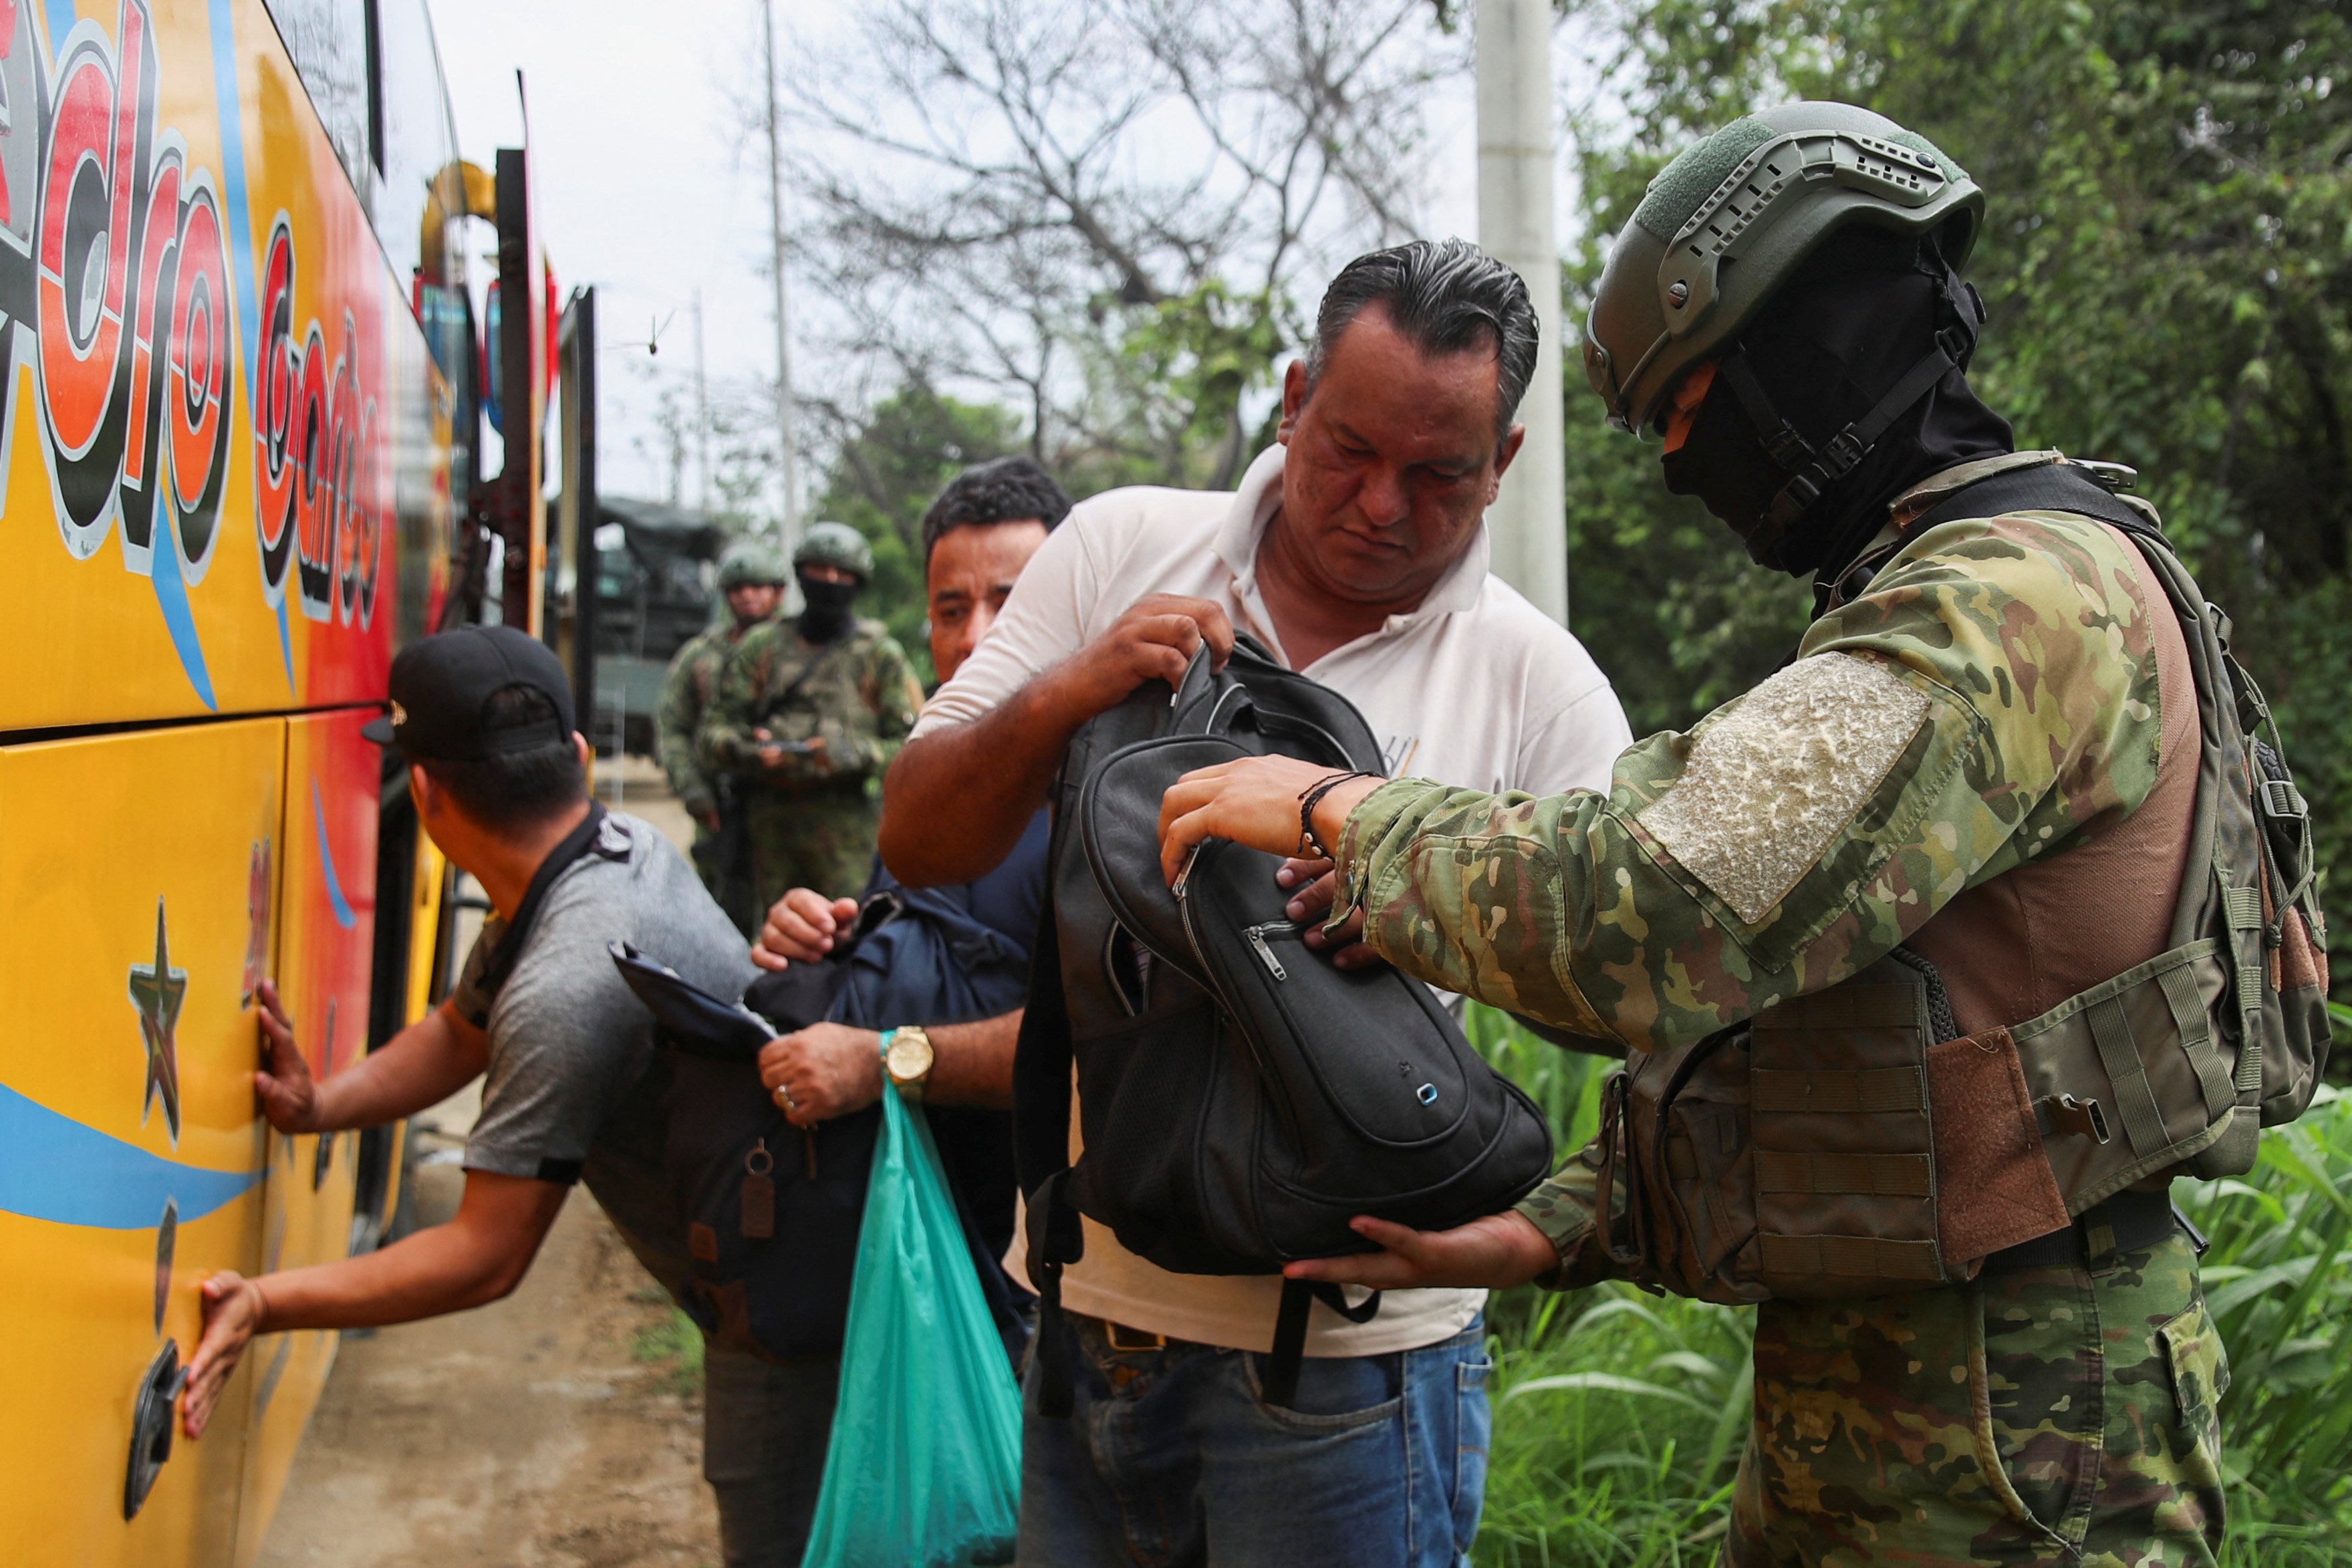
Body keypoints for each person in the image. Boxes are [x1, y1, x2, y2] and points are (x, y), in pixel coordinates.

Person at [1155, 103, 2262, 1565]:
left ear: (1803, 357)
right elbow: (1866, 1043)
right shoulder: (1956, 585)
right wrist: (1553, 1227)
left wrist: (1334, 811)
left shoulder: (2006, 606)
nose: (1682, 466)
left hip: (2016, 1450)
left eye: (1691, 408)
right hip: (1920, 1403)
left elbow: (1662, 907)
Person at [880, 239, 1633, 1568]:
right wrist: (1073, 689)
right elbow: (920, 833)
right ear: (1293, 398)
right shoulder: (1117, 549)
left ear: (1502, 463)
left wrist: (1420, 900)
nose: (1380, 504)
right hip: (1081, 1316)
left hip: (1351, 1369)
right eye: (1348, 446)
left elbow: (1632, 993)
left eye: (1439, 473)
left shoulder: (1540, 684)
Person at [176, 625, 805, 1568]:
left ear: (422, 792)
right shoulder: (602, 851)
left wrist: (264, 1302)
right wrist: (321, 1104)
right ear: (579, 760)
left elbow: (486, 1255)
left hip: (795, 1325)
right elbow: (459, 1030)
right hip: (786, 1267)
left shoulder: (572, 975)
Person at [752, 455, 1076, 1269]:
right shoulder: (926, 776)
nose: (976, 639)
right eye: (951, 609)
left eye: (1013, 602)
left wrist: (884, 1060)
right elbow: (934, 942)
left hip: (1045, 1264)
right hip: (915, 1232)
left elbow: (1099, 1048)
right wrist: (827, 935)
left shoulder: (1115, 802)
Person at [699, 521, 924, 915]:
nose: (830, 582)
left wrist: (852, 755)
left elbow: (914, 747)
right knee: (770, 945)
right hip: (768, 833)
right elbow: (715, 731)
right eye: (819, 572)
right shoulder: (763, 647)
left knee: (851, 938)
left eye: (842, 574)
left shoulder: (879, 655)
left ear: (859, 581)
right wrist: (748, 751)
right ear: (801, 576)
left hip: (848, 835)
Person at [657, 537, 790, 933]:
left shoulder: (801, 649)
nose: (748, 596)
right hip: (722, 806)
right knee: (717, 913)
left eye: (758, 587)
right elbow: (673, 729)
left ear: (778, 591)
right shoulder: (701, 655)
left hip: (788, 809)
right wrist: (694, 790)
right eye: (737, 589)